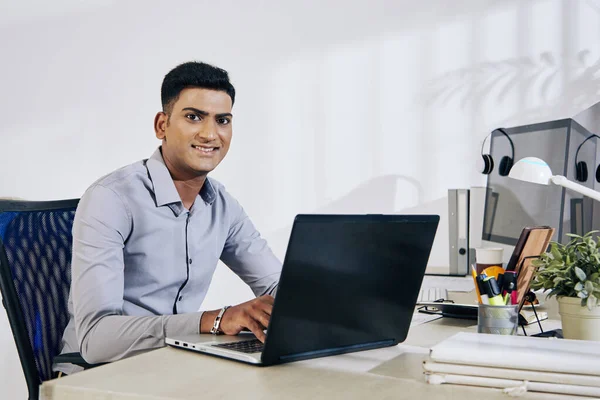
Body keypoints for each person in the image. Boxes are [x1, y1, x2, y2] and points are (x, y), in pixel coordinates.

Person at [54, 61, 282, 375]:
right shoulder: (112, 199)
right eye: (193, 117)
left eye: (222, 120)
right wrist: (214, 321)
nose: (210, 133)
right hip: (99, 375)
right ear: (162, 125)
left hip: (173, 368)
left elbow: (276, 286)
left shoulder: (223, 206)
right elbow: (95, 339)